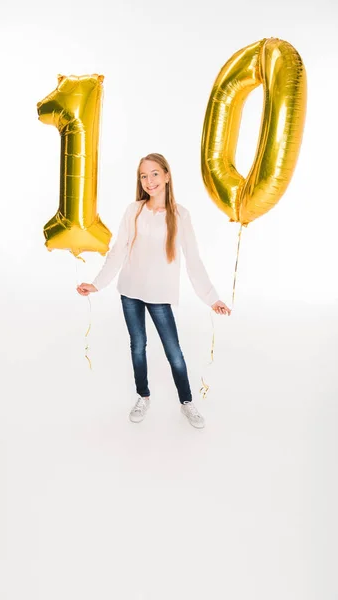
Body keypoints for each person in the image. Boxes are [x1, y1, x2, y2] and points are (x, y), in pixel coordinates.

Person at [77, 153, 231, 429]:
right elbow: (118, 251)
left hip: (160, 296)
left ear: (167, 175)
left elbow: (194, 260)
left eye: (155, 174)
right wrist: (97, 284)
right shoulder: (133, 210)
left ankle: (187, 401)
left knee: (174, 351)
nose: (149, 181)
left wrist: (212, 298)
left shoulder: (180, 215)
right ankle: (143, 395)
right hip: (130, 292)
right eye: (144, 176)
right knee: (138, 346)